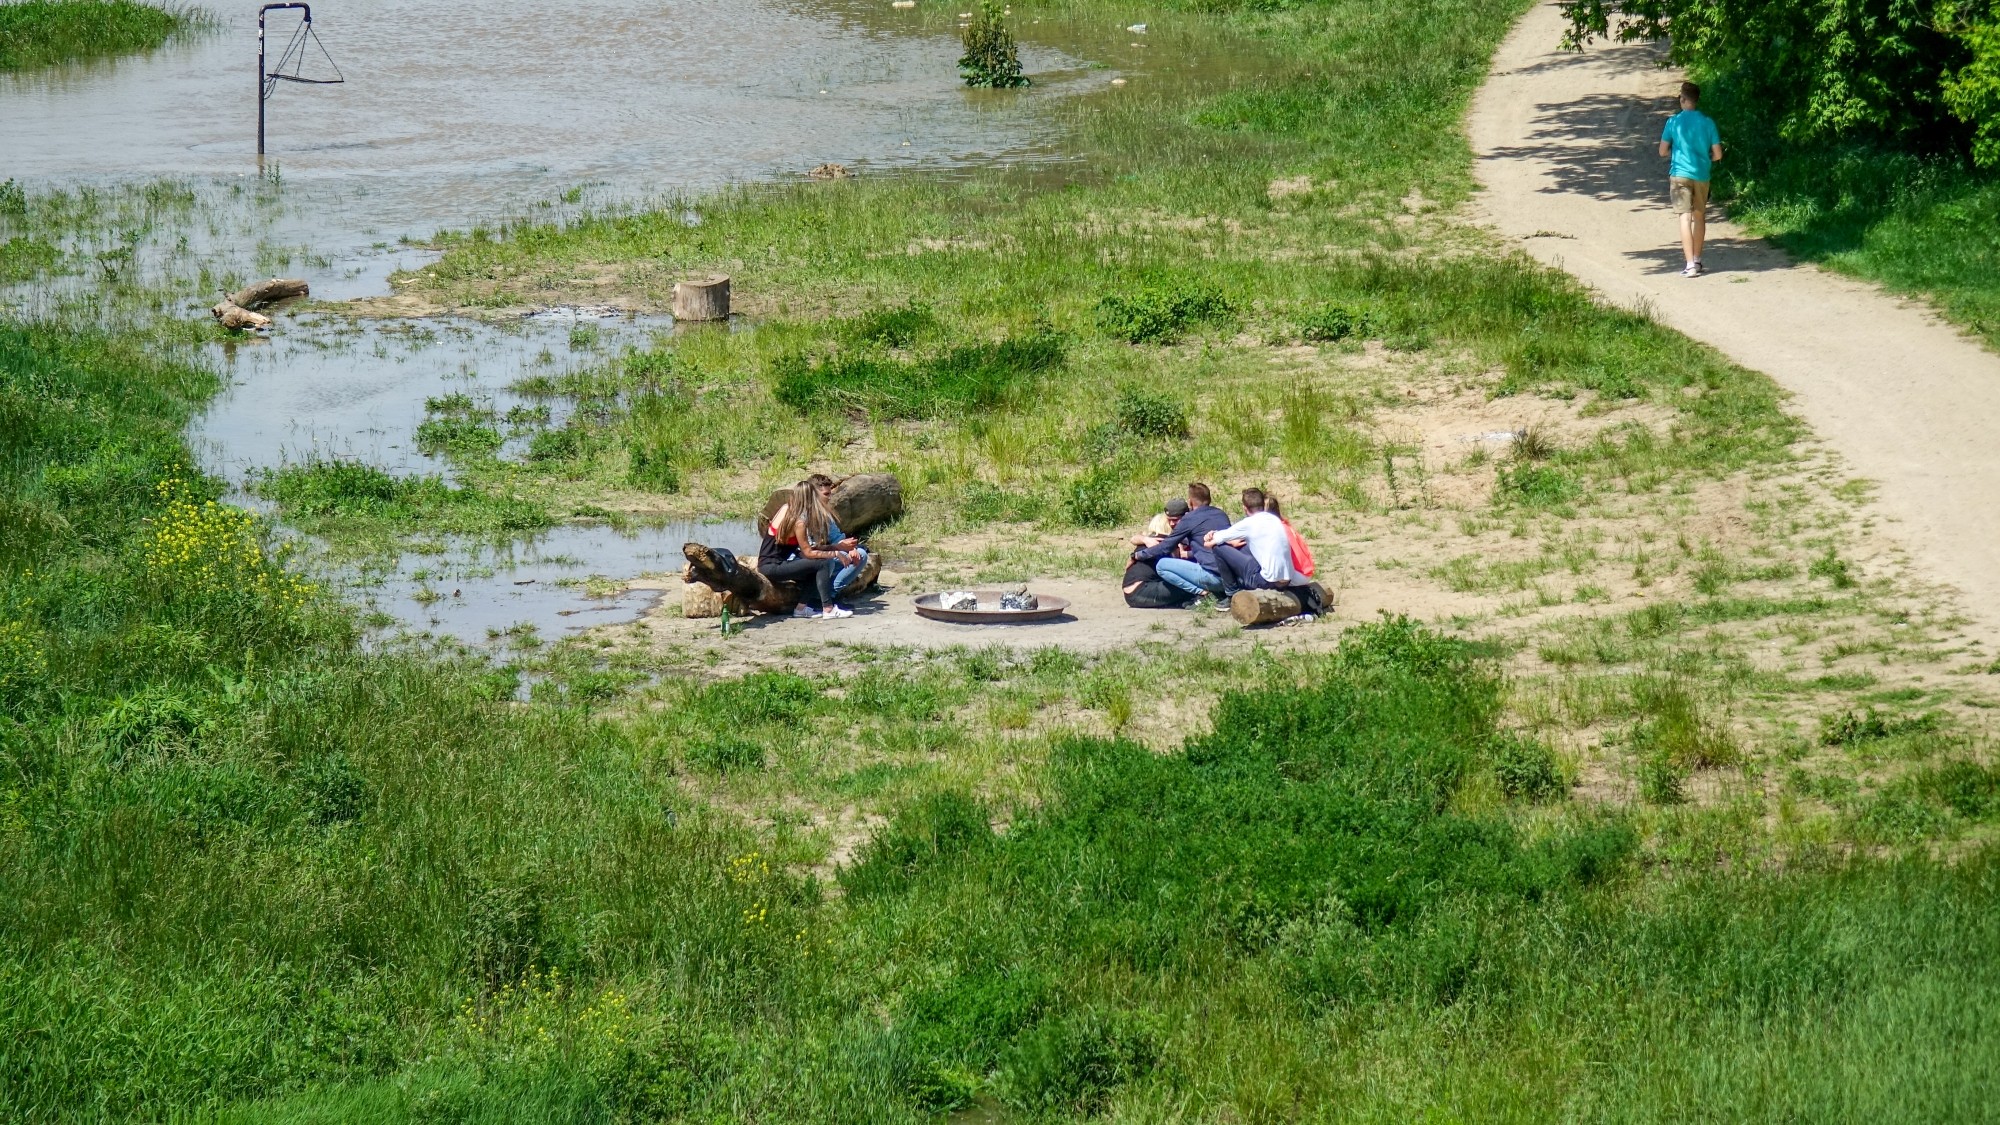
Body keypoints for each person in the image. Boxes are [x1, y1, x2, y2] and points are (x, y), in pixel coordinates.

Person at [758, 481, 861, 620]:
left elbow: (809, 549)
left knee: (815, 565)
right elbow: (808, 552)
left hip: (769, 564)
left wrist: (837, 547)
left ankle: (801, 609)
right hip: (773, 567)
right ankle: (828, 608)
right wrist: (836, 554)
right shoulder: (799, 523)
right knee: (823, 563)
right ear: (809, 499)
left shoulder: (786, 509)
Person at [1659, 80, 1723, 278]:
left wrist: (1675, 151)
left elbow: (1662, 151)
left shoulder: (1673, 122)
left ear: (1683, 99)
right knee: (1699, 216)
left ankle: (1689, 266)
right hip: (1702, 175)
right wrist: (1707, 158)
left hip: (1680, 174)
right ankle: (1697, 259)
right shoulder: (1708, 122)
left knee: (1684, 218)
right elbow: (1718, 154)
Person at [1131, 482, 1232, 601]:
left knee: (1162, 565)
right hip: (1232, 577)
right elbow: (1211, 547)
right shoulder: (1221, 514)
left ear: (1190, 502)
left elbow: (1165, 547)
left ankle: (1203, 594)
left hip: (1215, 579)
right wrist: (1188, 554)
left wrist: (1137, 556)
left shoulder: (1190, 519)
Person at [1204, 492, 1305, 592]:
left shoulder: (1248, 523)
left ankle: (1231, 592)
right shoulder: (1275, 519)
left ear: (1245, 508)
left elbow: (1211, 542)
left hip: (1265, 581)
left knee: (1218, 548)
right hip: (1287, 580)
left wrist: (1211, 535)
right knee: (1245, 547)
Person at [810, 474, 871, 599]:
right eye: (826, 494)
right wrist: (837, 551)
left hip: (825, 552)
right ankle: (821, 597)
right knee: (829, 561)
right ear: (814, 494)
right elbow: (809, 548)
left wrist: (850, 548)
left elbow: (836, 536)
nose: (830, 498)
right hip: (807, 557)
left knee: (860, 554)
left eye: (830, 494)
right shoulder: (805, 515)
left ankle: (832, 594)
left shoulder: (825, 513)